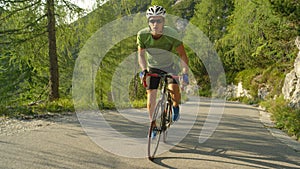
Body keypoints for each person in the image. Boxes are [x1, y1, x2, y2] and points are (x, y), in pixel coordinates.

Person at [137, 5, 189, 137]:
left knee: (174, 92)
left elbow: (183, 55)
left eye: (158, 21)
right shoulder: (142, 35)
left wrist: (185, 73)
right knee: (151, 98)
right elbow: (141, 55)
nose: (155, 24)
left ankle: (175, 106)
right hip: (152, 68)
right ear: (148, 22)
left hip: (169, 67)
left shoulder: (172, 34)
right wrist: (143, 70)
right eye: (152, 21)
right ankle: (153, 126)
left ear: (163, 22)